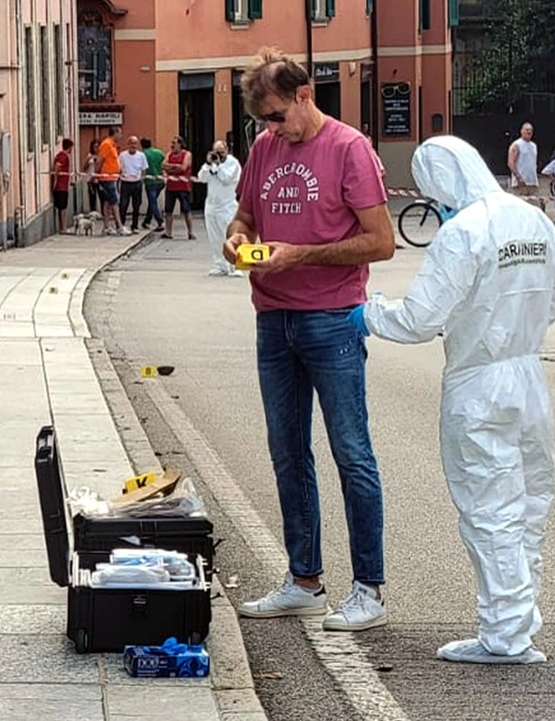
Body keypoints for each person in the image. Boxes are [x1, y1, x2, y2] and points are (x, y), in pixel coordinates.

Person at [350, 135, 555, 664]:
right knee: (528, 505)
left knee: (489, 510)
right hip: (529, 376)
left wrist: (369, 313)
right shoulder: (534, 220)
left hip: (478, 382)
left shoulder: (462, 232)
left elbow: (421, 317)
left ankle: (505, 636)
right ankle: (519, 619)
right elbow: (554, 301)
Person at [225, 46, 395, 632]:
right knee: (287, 451)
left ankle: (368, 587)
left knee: (352, 452)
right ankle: (304, 580)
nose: (269, 129)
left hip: (333, 317)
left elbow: (380, 241)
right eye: (261, 121)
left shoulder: (349, 149)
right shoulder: (266, 149)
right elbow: (245, 216)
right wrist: (236, 239)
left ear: (305, 96)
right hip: (273, 317)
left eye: (275, 116)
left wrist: (304, 255)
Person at [196, 140, 244, 277]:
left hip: (227, 205)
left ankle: (235, 266)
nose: (218, 155)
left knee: (229, 236)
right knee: (214, 237)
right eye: (216, 152)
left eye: (221, 152)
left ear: (227, 150)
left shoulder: (233, 163)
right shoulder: (211, 163)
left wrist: (218, 166)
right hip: (211, 205)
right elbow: (202, 178)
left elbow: (226, 179)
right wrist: (207, 164)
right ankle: (220, 265)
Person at [160, 136, 195, 240]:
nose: (172, 145)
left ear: (180, 144)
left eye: (174, 143)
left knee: (186, 210)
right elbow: (163, 165)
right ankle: (168, 232)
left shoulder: (187, 154)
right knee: (168, 210)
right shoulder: (169, 154)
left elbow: (184, 167)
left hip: (183, 186)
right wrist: (176, 167)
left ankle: (190, 232)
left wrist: (170, 168)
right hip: (171, 186)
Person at [508, 122, 543, 211]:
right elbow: (511, 163)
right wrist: (518, 177)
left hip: (532, 182)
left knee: (534, 209)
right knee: (520, 209)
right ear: (521, 131)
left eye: (531, 130)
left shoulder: (534, 146)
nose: (529, 132)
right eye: (527, 130)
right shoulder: (516, 145)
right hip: (520, 184)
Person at [97, 126, 124, 234]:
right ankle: (119, 226)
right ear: (115, 133)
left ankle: (106, 226)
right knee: (114, 201)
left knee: (108, 202)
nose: (121, 136)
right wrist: (96, 174)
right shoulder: (106, 144)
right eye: (120, 133)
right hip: (107, 177)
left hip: (113, 177)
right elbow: (100, 160)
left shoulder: (113, 145)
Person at [118, 135, 146, 234]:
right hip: (125, 182)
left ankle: (135, 225)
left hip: (137, 183)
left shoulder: (141, 156)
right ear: (128, 144)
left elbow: (144, 170)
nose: (133, 145)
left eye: (135, 143)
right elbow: (119, 169)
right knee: (123, 205)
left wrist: (141, 180)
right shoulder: (122, 155)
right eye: (131, 143)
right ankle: (121, 224)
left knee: (136, 205)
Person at [141, 138, 166, 231]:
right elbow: (164, 164)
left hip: (150, 181)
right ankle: (146, 221)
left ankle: (160, 221)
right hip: (160, 180)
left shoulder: (143, 154)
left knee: (153, 202)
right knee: (153, 201)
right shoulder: (159, 152)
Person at [52, 138, 74, 234]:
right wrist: (56, 180)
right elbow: (57, 166)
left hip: (62, 184)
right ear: (69, 147)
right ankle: (63, 227)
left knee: (62, 207)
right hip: (61, 186)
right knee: (63, 207)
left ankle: (62, 227)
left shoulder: (61, 155)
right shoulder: (63, 156)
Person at [83, 140, 102, 213]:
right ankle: (93, 212)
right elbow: (84, 168)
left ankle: (103, 213)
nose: (96, 149)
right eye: (95, 147)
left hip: (99, 179)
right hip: (90, 180)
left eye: (98, 147)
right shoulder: (89, 155)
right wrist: (89, 159)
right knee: (92, 197)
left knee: (102, 197)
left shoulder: (101, 155)